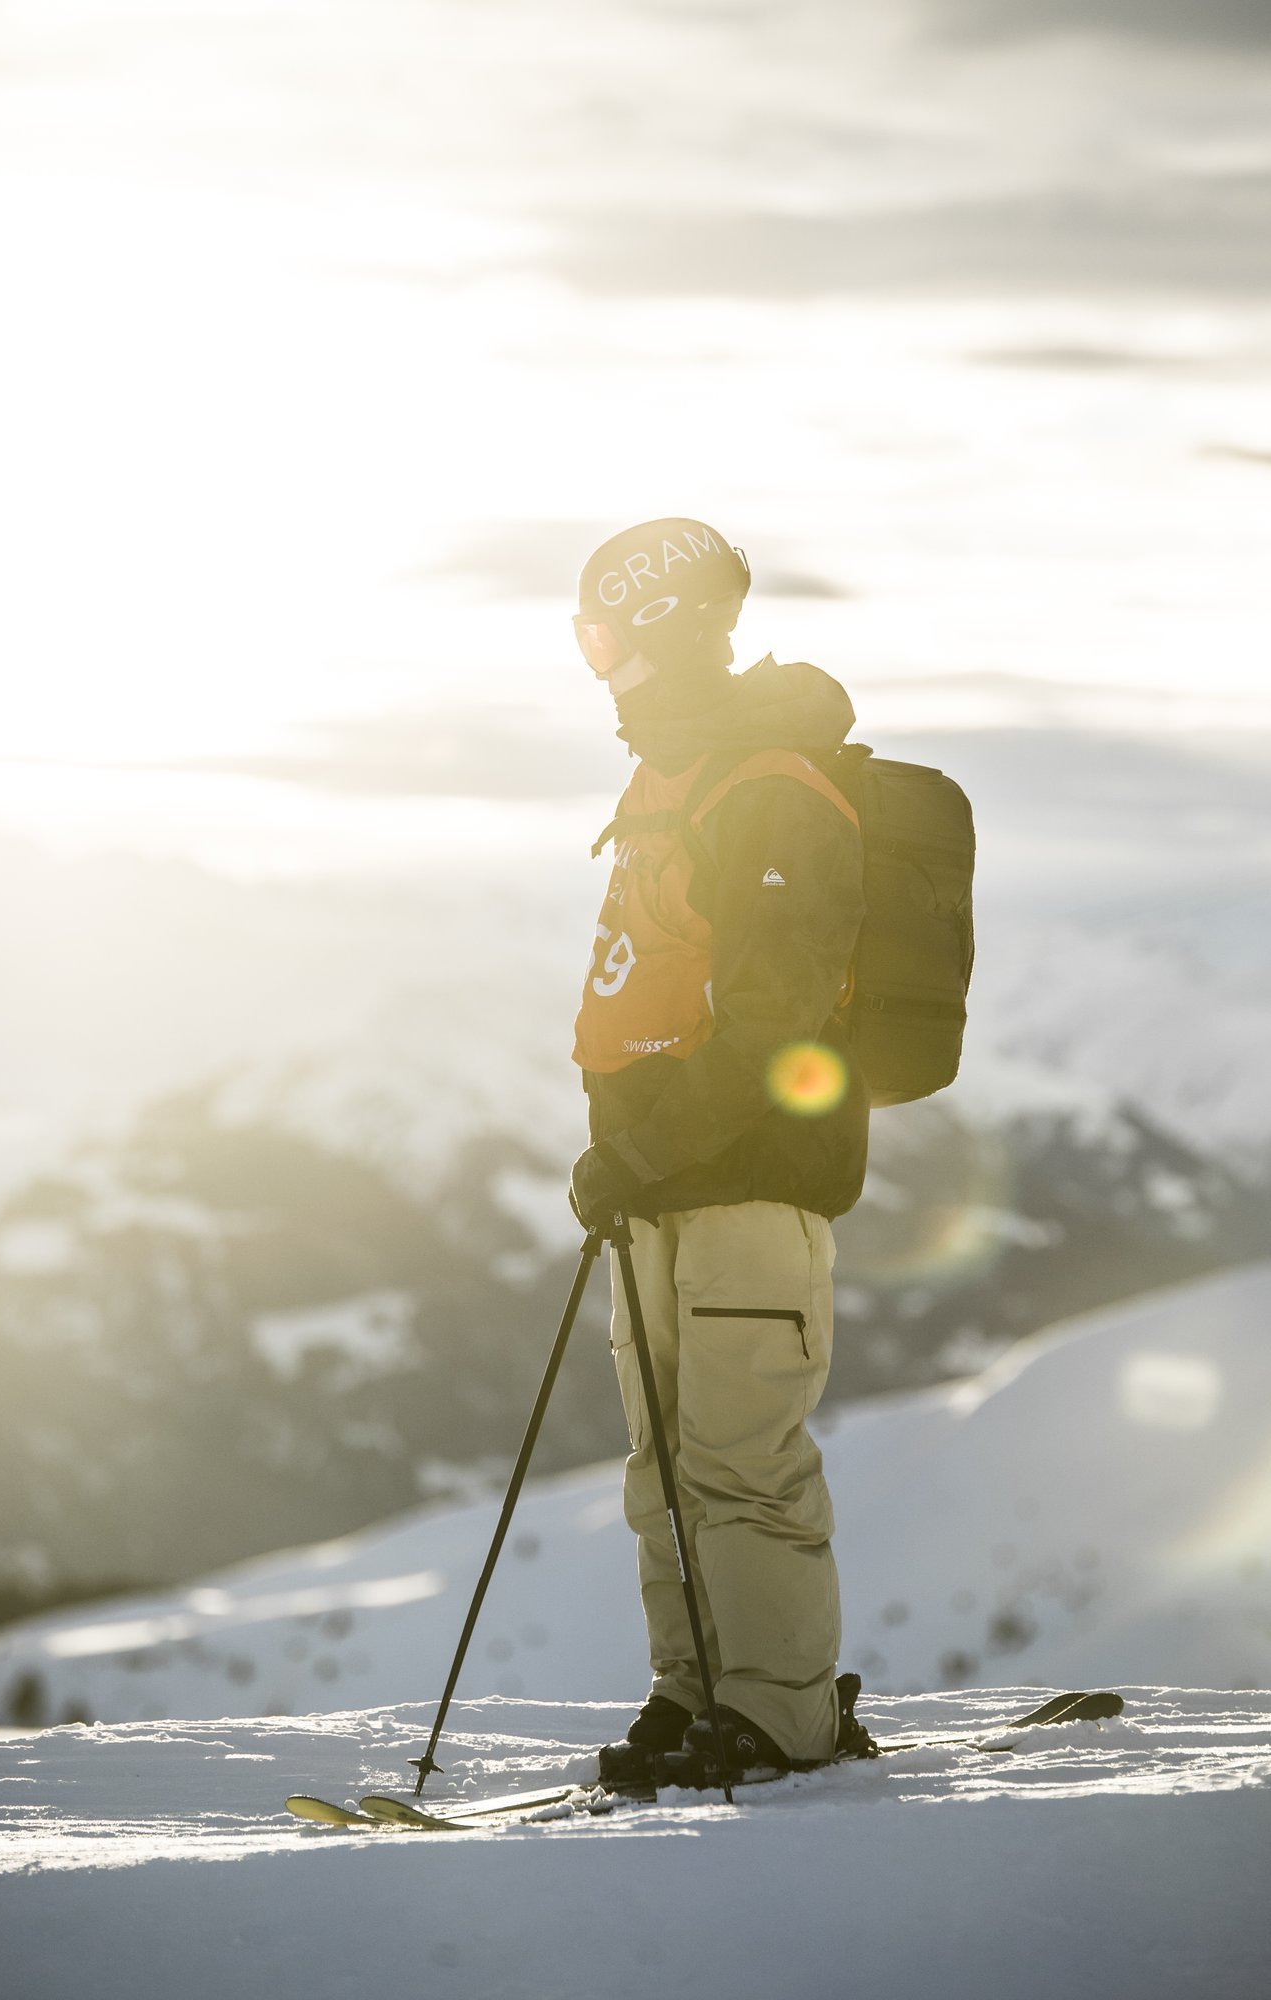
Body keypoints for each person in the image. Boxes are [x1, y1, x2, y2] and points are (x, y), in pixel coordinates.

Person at [568, 516, 872, 1786]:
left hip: (747, 1185)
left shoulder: (768, 790)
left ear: (676, 632)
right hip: (659, 1188)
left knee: (741, 1466)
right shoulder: (670, 780)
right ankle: (696, 1694)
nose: (598, 669)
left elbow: (769, 1024)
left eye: (607, 641)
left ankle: (780, 1716)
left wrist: (644, 1147)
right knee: (667, 1468)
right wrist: (625, 1154)